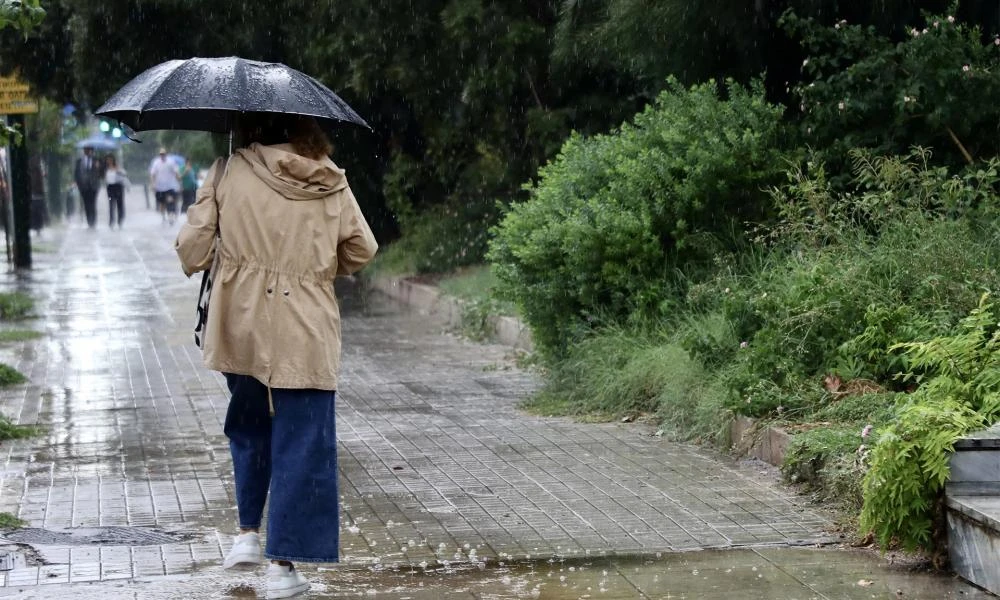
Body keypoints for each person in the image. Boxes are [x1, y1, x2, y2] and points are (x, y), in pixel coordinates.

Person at [174, 115, 377, 599]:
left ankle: (246, 533)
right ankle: (282, 570)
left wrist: (223, 217)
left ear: (250, 128)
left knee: (248, 425)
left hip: (240, 322)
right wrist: (314, 265)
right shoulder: (330, 179)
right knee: (301, 442)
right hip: (305, 327)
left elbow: (192, 251)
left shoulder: (227, 171)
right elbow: (361, 249)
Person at [74, 146, 103, 229]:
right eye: (85, 150)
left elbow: (101, 174)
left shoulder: (96, 160)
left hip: (94, 186)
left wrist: (99, 167)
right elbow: (76, 173)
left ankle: (93, 221)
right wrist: (78, 183)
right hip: (83, 186)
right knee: (86, 204)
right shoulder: (79, 161)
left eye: (89, 150)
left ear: (92, 151)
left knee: (93, 203)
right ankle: (89, 221)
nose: (87, 151)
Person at [149, 148, 180, 225]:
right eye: (161, 154)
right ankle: (164, 217)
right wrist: (153, 184)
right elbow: (153, 174)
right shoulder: (156, 163)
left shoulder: (171, 162)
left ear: (166, 154)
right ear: (159, 155)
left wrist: (179, 181)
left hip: (170, 186)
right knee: (162, 203)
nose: (162, 155)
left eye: (164, 154)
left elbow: (176, 172)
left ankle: (171, 216)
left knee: (170, 201)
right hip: (160, 187)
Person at [104, 155, 129, 229]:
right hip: (110, 188)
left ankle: (120, 220)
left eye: (110, 160)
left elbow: (124, 174)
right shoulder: (105, 168)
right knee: (111, 205)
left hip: (118, 187)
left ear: (113, 160)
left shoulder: (118, 167)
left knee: (120, 204)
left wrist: (118, 170)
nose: (109, 161)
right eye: (108, 160)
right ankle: (111, 222)